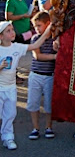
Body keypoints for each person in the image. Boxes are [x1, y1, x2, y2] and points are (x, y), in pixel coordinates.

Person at [0, 20, 52, 150]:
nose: (12, 32)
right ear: (1, 36)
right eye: (8, 31)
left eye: (12, 29)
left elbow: (36, 45)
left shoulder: (17, 47)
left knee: (10, 114)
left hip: (11, 88)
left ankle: (8, 137)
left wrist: (49, 29)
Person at [27, 11, 57, 140]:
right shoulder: (35, 39)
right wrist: (55, 56)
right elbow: (37, 56)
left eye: (39, 26)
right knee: (33, 103)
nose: (36, 29)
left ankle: (48, 127)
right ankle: (35, 128)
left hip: (49, 76)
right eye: (35, 26)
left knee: (49, 104)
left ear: (48, 24)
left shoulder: (55, 39)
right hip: (36, 75)